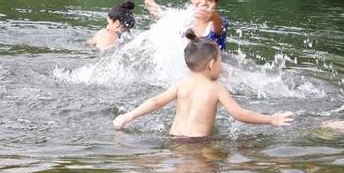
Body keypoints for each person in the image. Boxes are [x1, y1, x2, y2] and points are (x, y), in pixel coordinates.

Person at [113, 30, 294, 138]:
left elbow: (156, 102)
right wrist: (271, 119)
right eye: (221, 60)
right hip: (198, 144)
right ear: (211, 65)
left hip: (173, 139)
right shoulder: (217, 89)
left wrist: (128, 116)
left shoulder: (181, 84)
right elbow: (239, 114)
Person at [142, 0, 229, 50]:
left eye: (209, 0)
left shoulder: (219, 22)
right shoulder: (184, 17)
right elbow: (165, 29)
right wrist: (155, 14)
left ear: (215, 3)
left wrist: (213, 16)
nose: (203, 3)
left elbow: (219, 28)